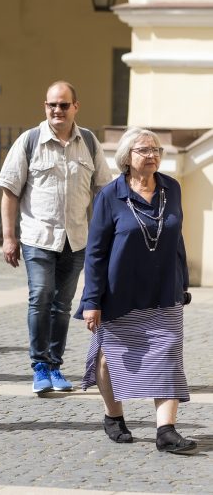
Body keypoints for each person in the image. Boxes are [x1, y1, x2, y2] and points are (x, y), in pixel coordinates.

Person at [74, 127, 197, 454]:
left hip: (163, 289)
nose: (153, 155)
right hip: (119, 292)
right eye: (144, 150)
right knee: (108, 358)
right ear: (127, 158)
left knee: (169, 352)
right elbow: (96, 251)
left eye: (156, 149)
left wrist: (181, 281)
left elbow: (176, 239)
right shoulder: (109, 196)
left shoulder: (172, 188)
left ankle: (166, 431)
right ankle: (113, 415)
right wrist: (91, 300)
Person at [0, 81, 112, 394]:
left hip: (76, 240)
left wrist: (104, 234)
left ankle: (56, 366)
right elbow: (9, 190)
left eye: (63, 105)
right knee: (41, 297)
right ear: (45, 106)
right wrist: (9, 237)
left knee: (62, 305)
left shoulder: (88, 141)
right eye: (52, 105)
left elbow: (104, 188)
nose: (57, 111)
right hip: (38, 237)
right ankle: (40, 365)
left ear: (76, 106)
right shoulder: (30, 141)